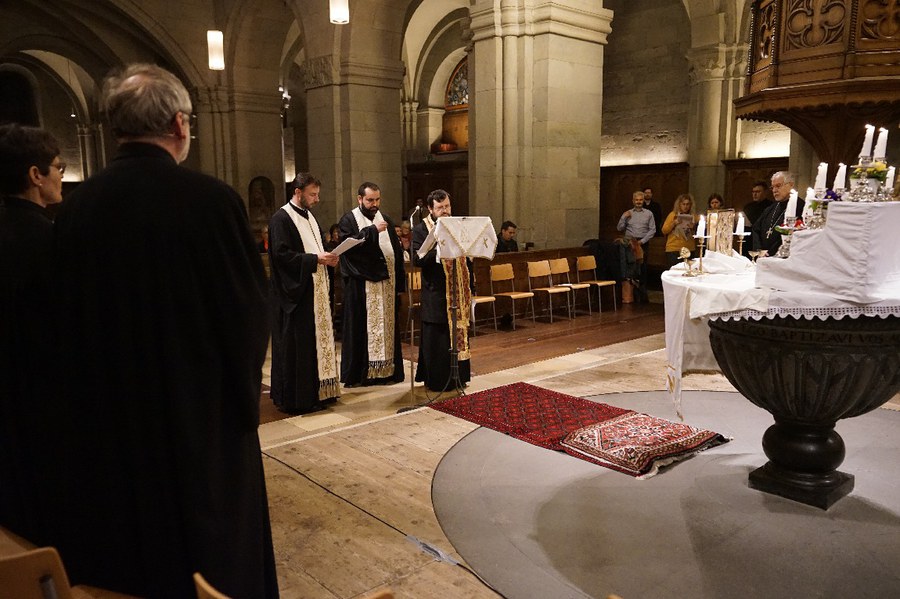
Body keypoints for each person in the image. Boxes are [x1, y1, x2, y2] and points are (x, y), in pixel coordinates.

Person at [49, 64, 277, 598]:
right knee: (212, 550)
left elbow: (63, 317)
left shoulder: (76, 207)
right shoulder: (211, 200)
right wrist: (242, 400)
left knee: (133, 553)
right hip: (199, 418)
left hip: (111, 416)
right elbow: (246, 312)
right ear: (179, 125)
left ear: (116, 129)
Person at [0, 124, 64, 544]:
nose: (61, 175)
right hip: (44, 402)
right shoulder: (48, 240)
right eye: (57, 167)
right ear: (35, 175)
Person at [268, 172, 341, 413]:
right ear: (297, 192)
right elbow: (281, 255)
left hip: (316, 289)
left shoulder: (309, 216)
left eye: (317, 194)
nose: (317, 199)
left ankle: (320, 392)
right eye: (313, 194)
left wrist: (327, 257)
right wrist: (314, 259)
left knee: (317, 345)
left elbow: (316, 248)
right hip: (297, 295)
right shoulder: (281, 218)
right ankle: (299, 398)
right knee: (299, 346)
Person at [337, 181, 406, 387]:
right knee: (361, 330)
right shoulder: (349, 220)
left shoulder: (385, 219)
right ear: (360, 199)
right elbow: (346, 248)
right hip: (361, 288)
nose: (374, 204)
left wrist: (399, 283)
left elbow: (396, 252)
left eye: (377, 200)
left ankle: (387, 371)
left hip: (386, 286)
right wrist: (372, 231)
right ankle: (362, 374)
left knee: (388, 330)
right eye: (370, 200)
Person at [411, 189, 472, 391]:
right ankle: (437, 380)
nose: (445, 211)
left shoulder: (458, 226)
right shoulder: (421, 229)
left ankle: (458, 378)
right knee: (438, 337)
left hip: (458, 290)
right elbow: (417, 259)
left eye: (447, 206)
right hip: (437, 292)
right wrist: (439, 248)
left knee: (456, 333)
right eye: (440, 208)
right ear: (430, 209)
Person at [751, 171, 803, 255]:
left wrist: (771, 253)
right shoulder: (771, 208)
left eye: (778, 186)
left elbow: (791, 234)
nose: (774, 190)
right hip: (762, 257)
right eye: (772, 187)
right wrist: (759, 251)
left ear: (791, 185)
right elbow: (756, 229)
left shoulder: (800, 207)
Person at [617, 190, 655, 303]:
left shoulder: (649, 213)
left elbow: (652, 230)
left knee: (642, 269)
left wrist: (642, 241)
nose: (639, 202)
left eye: (641, 200)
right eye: (636, 200)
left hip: (642, 242)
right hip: (629, 243)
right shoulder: (628, 213)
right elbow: (619, 228)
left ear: (643, 201)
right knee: (630, 268)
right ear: (633, 201)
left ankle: (642, 296)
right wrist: (623, 217)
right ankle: (629, 295)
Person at [661, 193, 697, 266]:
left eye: (687, 204)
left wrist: (693, 227)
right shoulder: (673, 215)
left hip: (689, 248)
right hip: (674, 248)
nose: (685, 206)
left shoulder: (694, 216)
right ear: (679, 205)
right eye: (683, 204)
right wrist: (674, 223)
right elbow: (664, 230)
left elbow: (698, 234)